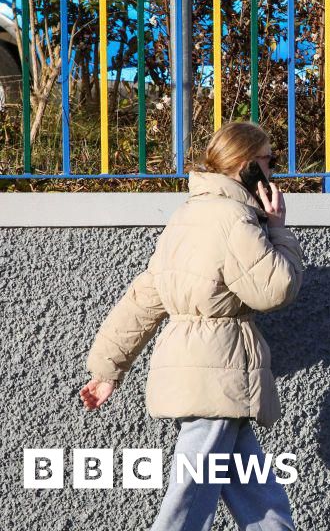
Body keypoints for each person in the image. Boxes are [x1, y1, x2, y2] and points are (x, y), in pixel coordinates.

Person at [78, 121, 304, 531]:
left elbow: (144, 299)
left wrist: (107, 369)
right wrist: (278, 227)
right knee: (190, 493)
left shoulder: (184, 218)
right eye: (270, 161)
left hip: (206, 372)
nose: (274, 172)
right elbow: (276, 288)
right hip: (217, 372)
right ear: (247, 165)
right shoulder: (236, 220)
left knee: (257, 492)